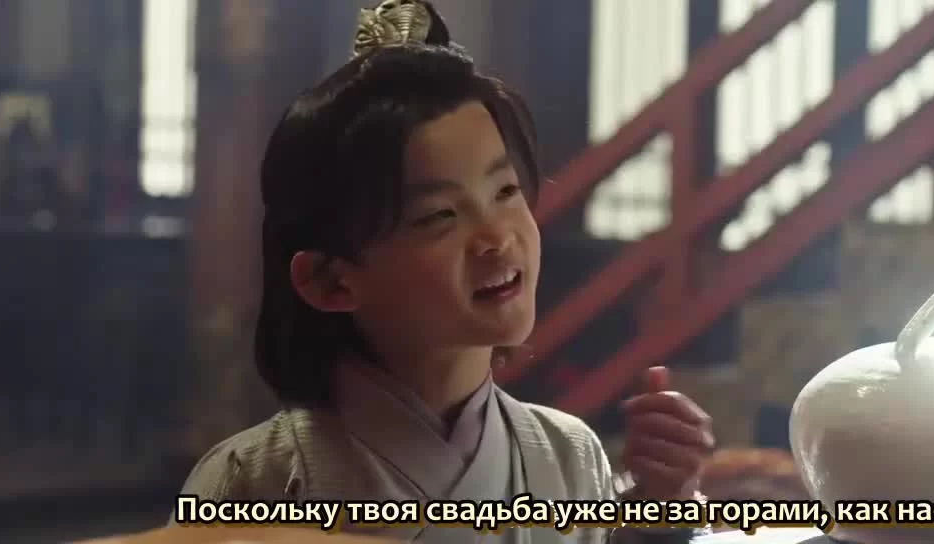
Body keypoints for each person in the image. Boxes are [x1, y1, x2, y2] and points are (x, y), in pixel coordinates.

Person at [173, 1, 715, 543]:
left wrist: (661, 512)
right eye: (439, 215)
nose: (497, 237)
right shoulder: (252, 481)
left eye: (506, 191)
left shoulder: (568, 456)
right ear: (329, 280)